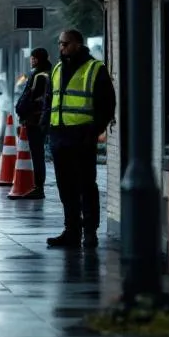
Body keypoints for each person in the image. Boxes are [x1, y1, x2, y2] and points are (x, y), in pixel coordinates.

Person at [44, 30, 116, 249]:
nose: (61, 47)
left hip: (82, 137)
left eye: (65, 43)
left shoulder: (95, 69)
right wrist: (47, 128)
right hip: (60, 137)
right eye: (60, 43)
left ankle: (90, 232)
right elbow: (50, 100)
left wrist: (92, 132)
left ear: (77, 44)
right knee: (66, 188)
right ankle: (71, 231)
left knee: (86, 186)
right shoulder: (57, 69)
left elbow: (107, 104)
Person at [8, 47, 52, 200]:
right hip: (40, 119)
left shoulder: (39, 76)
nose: (31, 61)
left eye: (33, 58)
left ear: (38, 59)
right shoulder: (48, 73)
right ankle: (37, 186)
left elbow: (31, 98)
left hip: (35, 120)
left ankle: (38, 187)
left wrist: (21, 110)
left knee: (37, 154)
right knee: (38, 153)